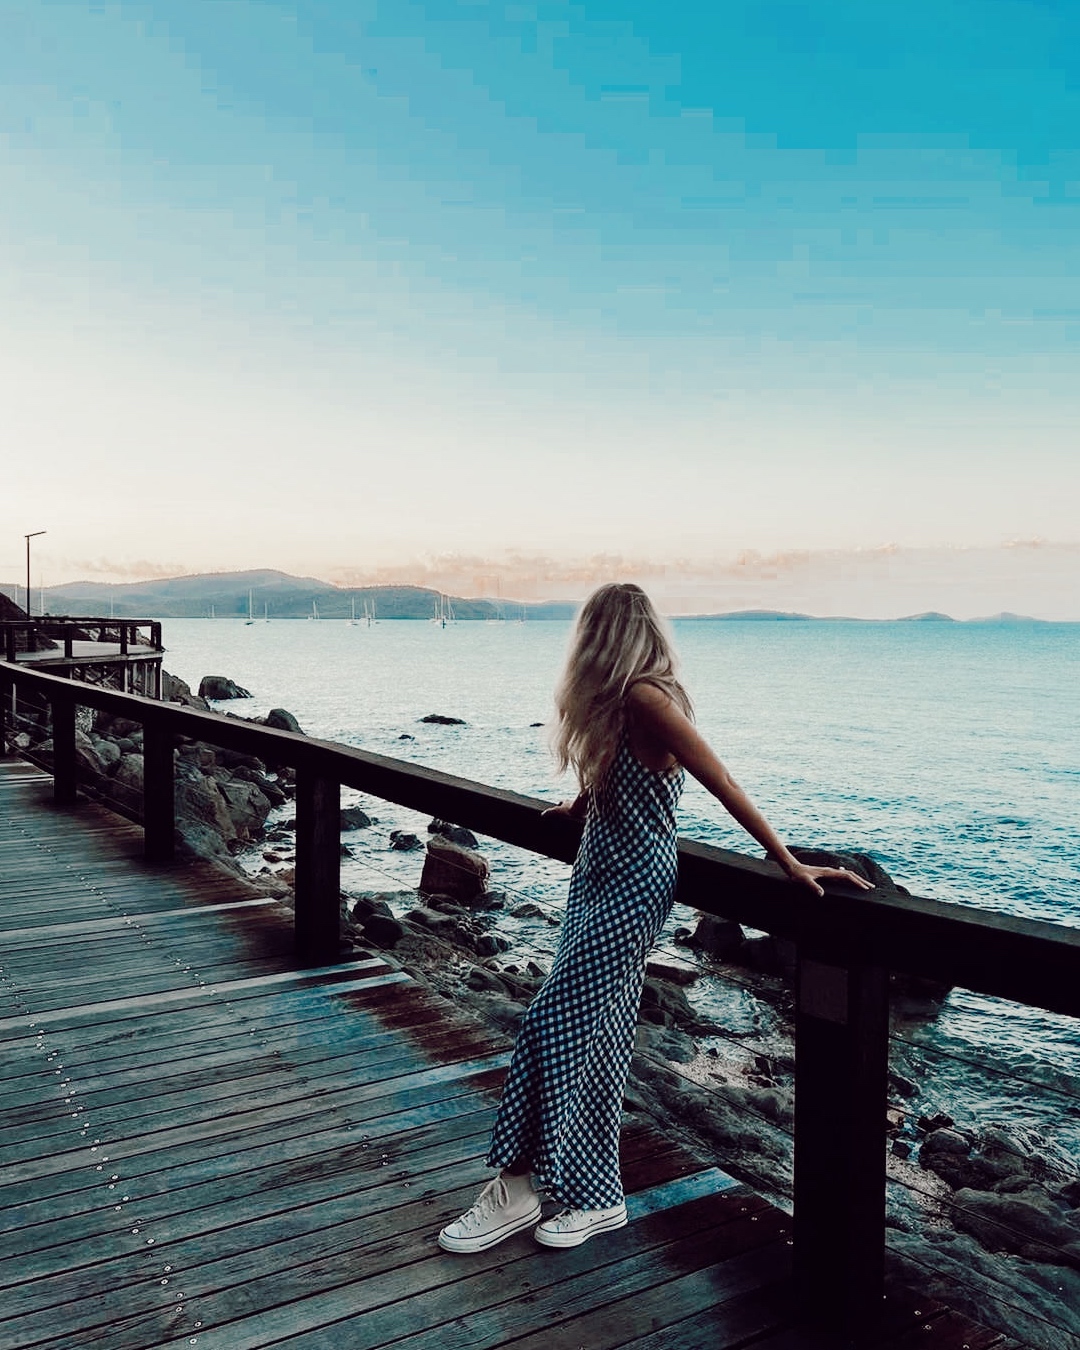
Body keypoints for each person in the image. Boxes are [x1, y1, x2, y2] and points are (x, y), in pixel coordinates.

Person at [437, 582, 872, 1254]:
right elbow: (620, 775)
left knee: (550, 1021)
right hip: (596, 874)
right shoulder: (619, 707)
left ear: (601, 638)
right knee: (601, 1041)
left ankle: (517, 1186)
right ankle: (596, 1198)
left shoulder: (649, 698)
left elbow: (719, 779)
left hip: (634, 886)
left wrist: (786, 860)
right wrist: (580, 805)